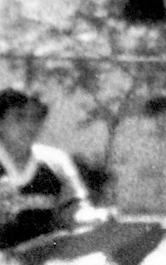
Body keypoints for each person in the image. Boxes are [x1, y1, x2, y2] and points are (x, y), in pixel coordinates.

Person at [0, 89, 96, 250]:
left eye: (36, 118)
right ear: (1, 122)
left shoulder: (56, 162)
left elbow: (74, 211)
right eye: (19, 117)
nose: (29, 125)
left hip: (40, 262)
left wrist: (93, 218)